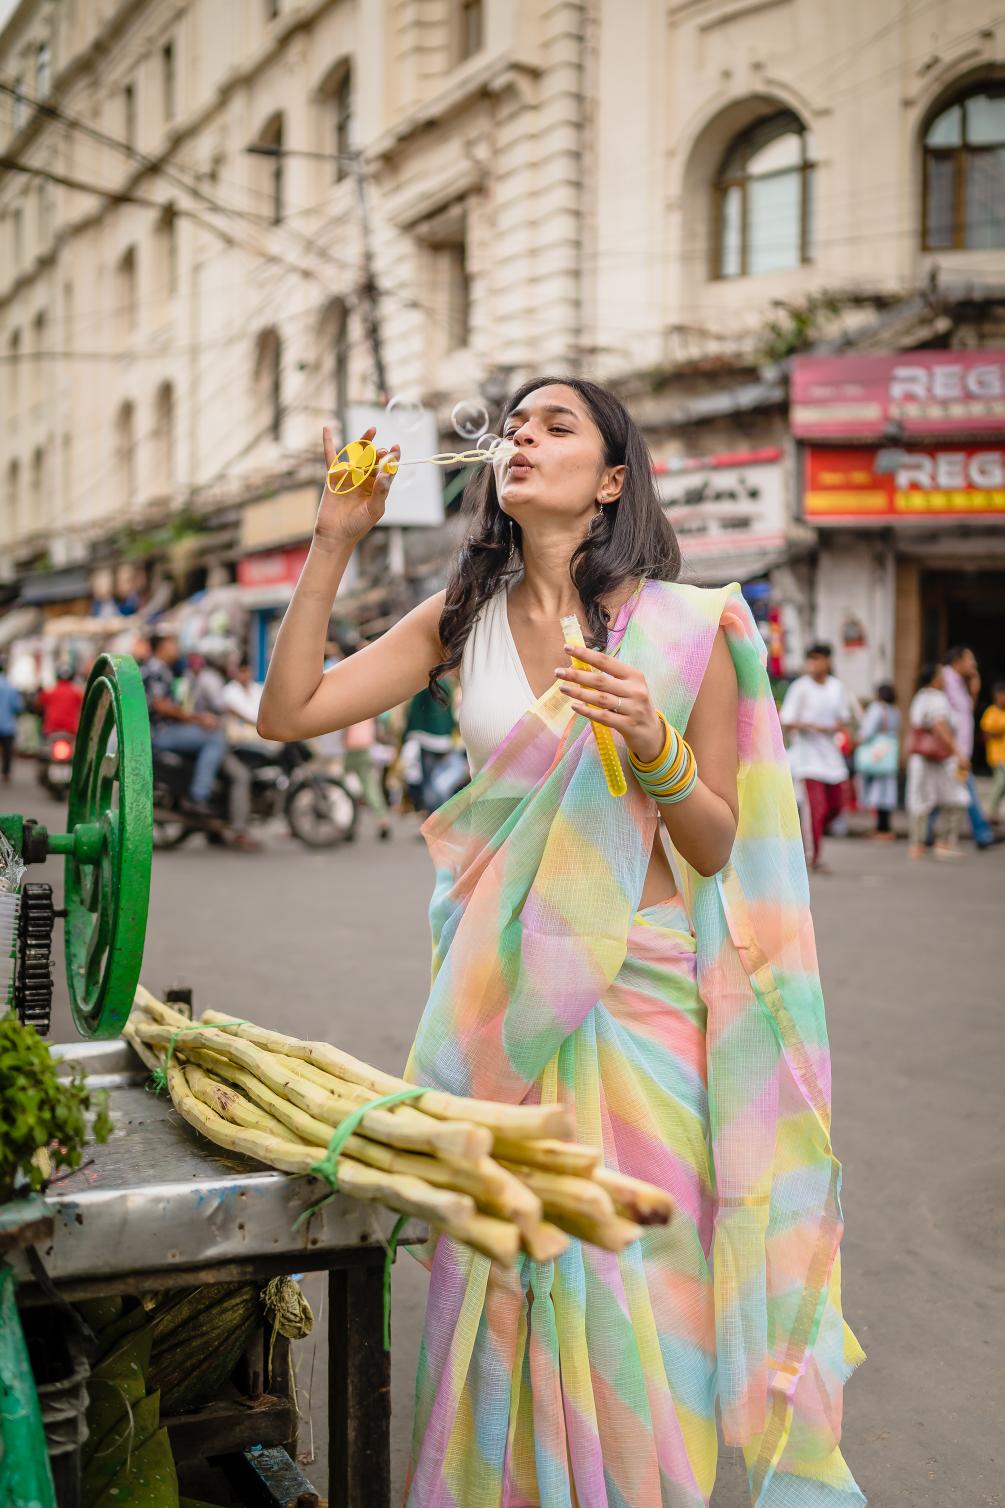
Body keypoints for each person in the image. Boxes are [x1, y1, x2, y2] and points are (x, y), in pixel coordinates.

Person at [258, 383, 865, 1505]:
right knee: (508, 1289)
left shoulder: (692, 628)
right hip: (504, 1016)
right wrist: (334, 539)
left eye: (556, 424)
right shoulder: (461, 620)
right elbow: (288, 711)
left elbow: (717, 842)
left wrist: (653, 743)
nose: (524, 437)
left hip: (646, 1015)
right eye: (516, 424)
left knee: (646, 1311)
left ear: (614, 478)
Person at [779, 643, 853, 872]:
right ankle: (813, 857)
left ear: (827, 662)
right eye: (811, 660)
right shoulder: (800, 687)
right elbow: (786, 719)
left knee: (836, 805)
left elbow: (843, 719)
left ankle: (808, 839)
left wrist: (831, 728)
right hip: (807, 759)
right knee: (815, 809)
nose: (814, 664)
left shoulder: (836, 687)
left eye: (818, 659)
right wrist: (809, 726)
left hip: (830, 757)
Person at [141, 630, 228, 820]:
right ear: (161, 646)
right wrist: (197, 719)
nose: (176, 648)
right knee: (215, 738)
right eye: (171, 643)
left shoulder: (161, 669)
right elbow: (161, 705)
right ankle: (199, 796)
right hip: (161, 732)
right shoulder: (157, 669)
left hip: (161, 730)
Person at [189, 643, 258, 850]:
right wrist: (253, 722)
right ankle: (239, 830)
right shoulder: (211, 679)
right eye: (229, 660)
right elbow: (224, 707)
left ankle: (217, 829)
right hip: (212, 738)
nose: (233, 665)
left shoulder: (215, 679)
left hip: (217, 737)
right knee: (241, 776)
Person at [906, 663, 970, 860]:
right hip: (937, 759)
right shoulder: (937, 699)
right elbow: (939, 726)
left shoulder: (920, 697)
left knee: (920, 800)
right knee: (956, 798)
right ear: (935, 678)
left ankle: (918, 844)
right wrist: (958, 752)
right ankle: (944, 842)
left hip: (922, 758)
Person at [933, 646, 994, 850]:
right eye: (970, 660)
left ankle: (925, 832)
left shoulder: (960, 683)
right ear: (957, 661)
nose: (973, 665)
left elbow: (967, 710)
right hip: (952, 751)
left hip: (960, 750)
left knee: (945, 793)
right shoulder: (945, 679)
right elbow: (938, 717)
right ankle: (983, 834)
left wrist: (974, 687)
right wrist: (954, 749)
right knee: (965, 792)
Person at [854, 682, 901, 839]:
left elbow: (867, 731)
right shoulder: (895, 711)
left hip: (877, 753)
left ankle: (881, 828)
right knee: (887, 791)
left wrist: (859, 740)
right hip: (889, 752)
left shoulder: (876, 709)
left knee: (878, 792)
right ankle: (885, 827)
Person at [36, 665, 84, 738]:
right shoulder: (77, 692)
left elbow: (38, 705)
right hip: (71, 730)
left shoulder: (49, 692)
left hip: (51, 730)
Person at [980, 681, 1005, 820]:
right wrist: (999, 730)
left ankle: (993, 811)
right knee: (1001, 781)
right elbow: (986, 733)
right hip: (997, 755)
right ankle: (990, 811)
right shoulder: (991, 712)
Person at [0, 659, 23, 783]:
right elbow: (17, 707)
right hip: (6, 725)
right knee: (7, 751)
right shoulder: (10, 687)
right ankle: (6, 774)